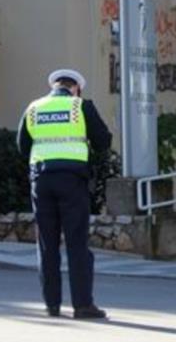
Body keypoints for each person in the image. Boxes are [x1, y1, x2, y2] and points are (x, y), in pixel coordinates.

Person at [17, 69, 112, 319]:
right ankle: (82, 305)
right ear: (76, 89)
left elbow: (22, 146)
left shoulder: (34, 108)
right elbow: (104, 140)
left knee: (47, 244)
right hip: (72, 180)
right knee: (76, 243)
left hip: (42, 180)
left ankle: (52, 305)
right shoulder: (80, 106)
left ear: (54, 87)